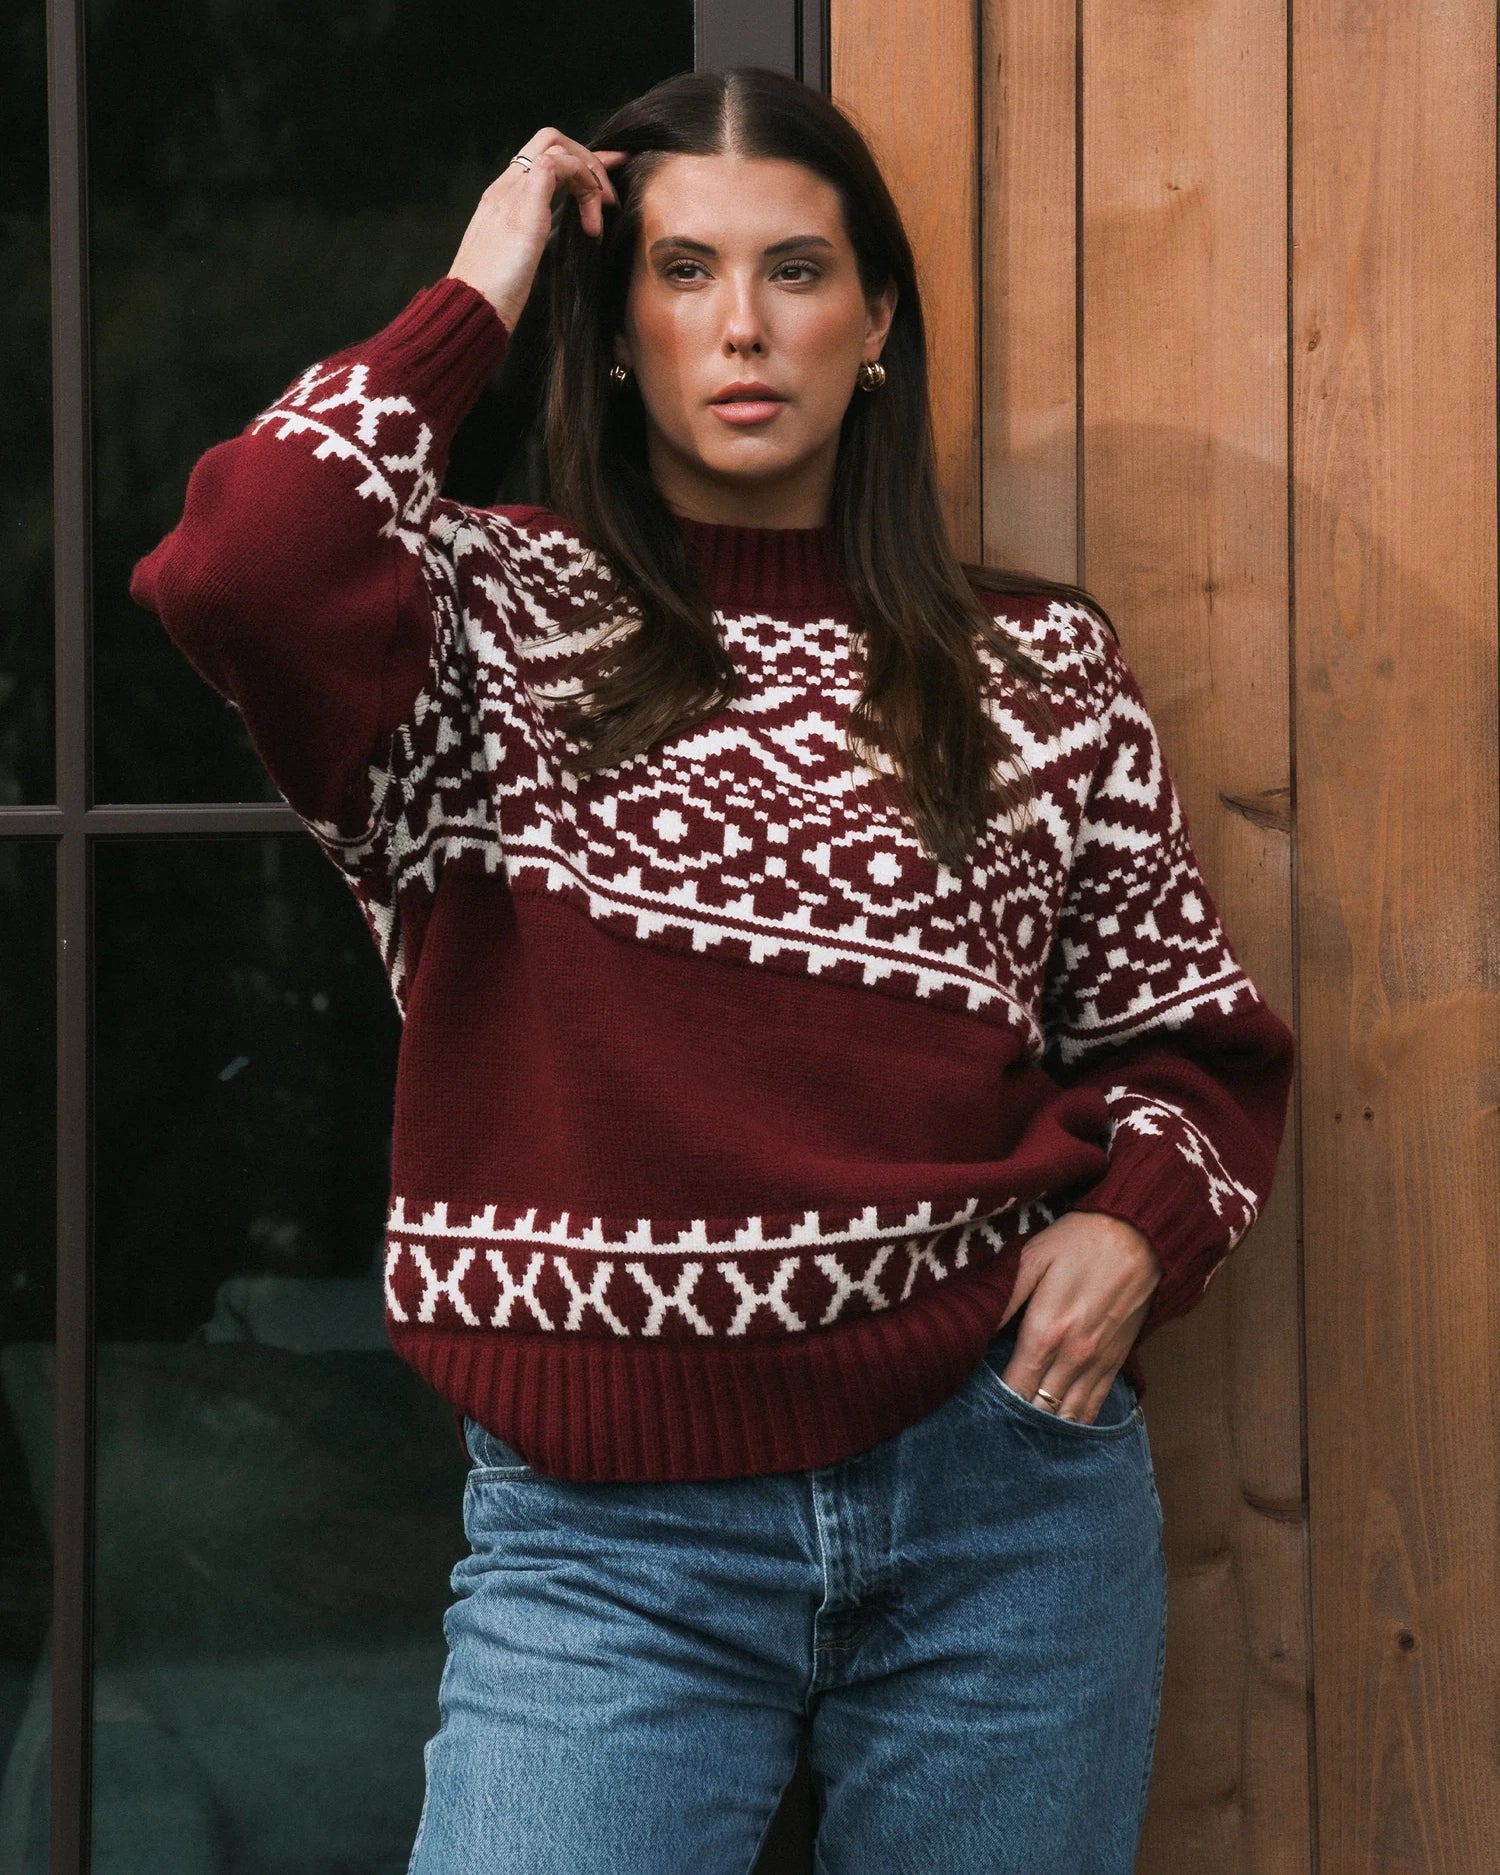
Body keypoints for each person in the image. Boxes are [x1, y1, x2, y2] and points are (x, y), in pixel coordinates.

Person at [130, 65, 1294, 1875]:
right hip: (608, 1545)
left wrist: (1140, 1220)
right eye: (678, 273)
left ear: (878, 319)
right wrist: (488, 277)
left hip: (1002, 1499)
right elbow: (238, 563)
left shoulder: (1040, 669)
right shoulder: (479, 630)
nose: (740, 327)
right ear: (614, 329)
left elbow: (1196, 1047)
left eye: (798, 272)